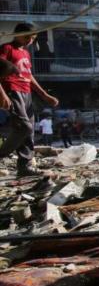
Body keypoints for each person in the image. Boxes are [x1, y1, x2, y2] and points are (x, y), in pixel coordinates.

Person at [0, 23, 60, 177]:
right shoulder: (7, 48)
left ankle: (25, 166)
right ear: (17, 34)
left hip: (26, 92)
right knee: (24, 127)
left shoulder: (25, 53)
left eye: (33, 38)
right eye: (27, 37)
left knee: (30, 130)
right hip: (13, 90)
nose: (29, 41)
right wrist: (3, 94)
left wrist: (44, 95)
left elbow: (28, 76)